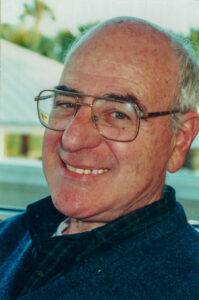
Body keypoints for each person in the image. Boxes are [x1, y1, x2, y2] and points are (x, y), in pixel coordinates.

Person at [1, 16, 199, 300]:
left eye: (119, 114)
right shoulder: (12, 236)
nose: (72, 138)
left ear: (180, 139)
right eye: (67, 104)